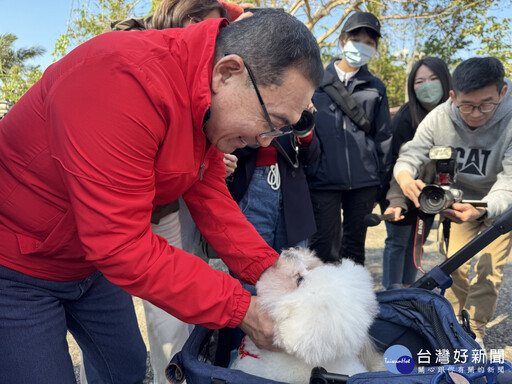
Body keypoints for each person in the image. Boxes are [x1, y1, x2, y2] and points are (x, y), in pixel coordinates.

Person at [0, 9, 324, 383]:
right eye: (272, 121)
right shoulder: (118, 79)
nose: (266, 140)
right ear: (227, 73)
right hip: (18, 267)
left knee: (126, 368)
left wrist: (273, 271)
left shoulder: (201, 102)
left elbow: (211, 196)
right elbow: (120, 245)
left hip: (90, 265)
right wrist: (242, 309)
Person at [102, 3, 245, 382]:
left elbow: (198, 165)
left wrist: (208, 161)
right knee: (115, 341)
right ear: (193, 25)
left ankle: (178, 373)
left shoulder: (197, 82)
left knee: (165, 326)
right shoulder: (128, 65)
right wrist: (242, 308)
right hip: (107, 225)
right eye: (223, 33)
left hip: (167, 210)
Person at [394, 57, 512, 348]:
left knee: (488, 269)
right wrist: (406, 180)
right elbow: (410, 155)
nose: (475, 114)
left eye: (486, 104)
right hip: (457, 205)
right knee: (453, 268)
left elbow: (509, 180)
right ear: (452, 96)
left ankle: (475, 333)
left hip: (499, 207)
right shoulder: (439, 117)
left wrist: (484, 209)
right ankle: (453, 328)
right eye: (466, 105)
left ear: (503, 93)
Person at [305, 11, 392, 265]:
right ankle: (322, 303)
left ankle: (353, 303)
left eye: (369, 42)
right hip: (323, 180)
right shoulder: (315, 81)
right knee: (321, 248)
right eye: (357, 38)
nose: (362, 46)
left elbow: (384, 137)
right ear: (342, 40)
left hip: (364, 182)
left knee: (354, 249)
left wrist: (381, 184)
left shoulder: (376, 86)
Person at [382, 57, 453, 289]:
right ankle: (391, 297)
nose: (427, 86)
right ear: (412, 86)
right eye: (419, 81)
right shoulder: (404, 118)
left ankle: (409, 295)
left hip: (432, 197)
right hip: (402, 194)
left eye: (433, 79)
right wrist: (396, 201)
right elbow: (397, 163)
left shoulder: (455, 117)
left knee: (417, 245)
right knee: (397, 242)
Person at [227, 107, 319, 253]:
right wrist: (260, 133)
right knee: (252, 260)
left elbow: (311, 156)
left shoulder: (295, 99)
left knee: (294, 268)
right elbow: (229, 148)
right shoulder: (244, 97)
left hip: (292, 188)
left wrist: (304, 128)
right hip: (250, 184)